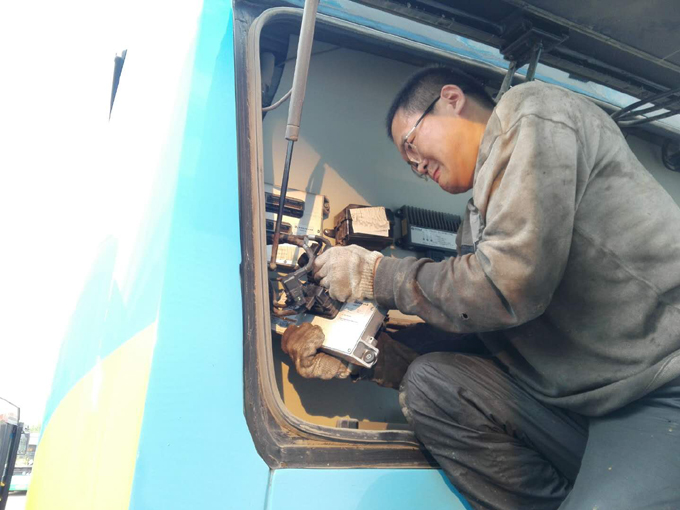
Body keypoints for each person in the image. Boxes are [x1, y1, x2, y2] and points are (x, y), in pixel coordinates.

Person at [281, 66, 680, 510]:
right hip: (585, 404)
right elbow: (489, 329)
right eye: (408, 163)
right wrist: (374, 354)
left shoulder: (533, 113)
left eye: (410, 145)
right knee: (430, 384)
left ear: (451, 99)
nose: (416, 166)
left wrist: (376, 275)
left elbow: (508, 287)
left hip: (660, 388)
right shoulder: (476, 222)